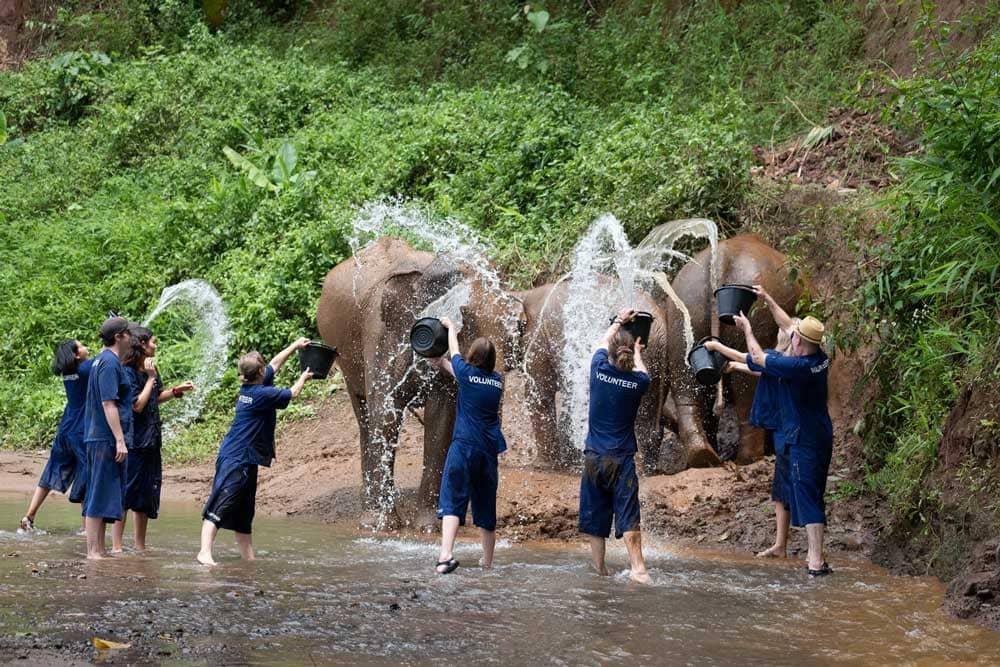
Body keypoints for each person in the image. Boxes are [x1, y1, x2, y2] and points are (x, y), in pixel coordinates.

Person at [707, 311, 833, 576]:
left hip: (803, 439)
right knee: (813, 494)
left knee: (807, 497)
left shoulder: (796, 367)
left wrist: (747, 330)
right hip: (820, 435)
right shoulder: (819, 359)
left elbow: (757, 358)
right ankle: (814, 556)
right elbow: (754, 361)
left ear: (797, 342)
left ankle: (815, 562)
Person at [197, 337, 312, 566]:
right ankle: (204, 552)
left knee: (243, 513)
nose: (267, 368)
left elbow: (276, 363)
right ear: (259, 372)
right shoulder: (262, 395)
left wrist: (294, 346)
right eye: (264, 366)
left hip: (244, 458)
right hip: (237, 458)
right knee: (222, 502)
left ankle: (249, 559)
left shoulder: (251, 387)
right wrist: (303, 376)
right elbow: (293, 393)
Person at [713, 285, 799, 558]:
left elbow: (749, 357)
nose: (776, 330)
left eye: (781, 331)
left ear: (789, 340)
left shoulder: (786, 361)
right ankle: (780, 544)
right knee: (779, 490)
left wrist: (717, 346)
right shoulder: (781, 361)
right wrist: (736, 368)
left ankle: (809, 552)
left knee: (796, 488)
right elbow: (760, 369)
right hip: (782, 428)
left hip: (791, 431)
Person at [428, 318, 507, 575]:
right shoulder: (496, 382)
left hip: (463, 447)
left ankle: (445, 556)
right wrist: (442, 364)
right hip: (487, 453)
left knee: (452, 500)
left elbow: (456, 353)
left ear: (473, 357)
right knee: (486, 507)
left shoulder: (468, 373)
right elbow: (464, 376)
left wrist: (451, 328)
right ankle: (487, 564)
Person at [578, 308, 652, 583]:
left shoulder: (598, 370)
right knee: (629, 515)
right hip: (621, 461)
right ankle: (638, 569)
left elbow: (600, 342)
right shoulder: (639, 382)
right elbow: (643, 372)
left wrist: (619, 321)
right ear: (631, 353)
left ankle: (600, 570)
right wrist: (639, 352)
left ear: (610, 352)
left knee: (596, 519)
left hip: (594, 458)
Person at [111, 326, 195, 553]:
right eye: (152, 342)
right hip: (134, 440)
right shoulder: (127, 371)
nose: (155, 346)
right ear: (141, 345)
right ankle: (117, 547)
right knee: (127, 493)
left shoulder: (151, 369)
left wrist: (177, 390)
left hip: (151, 439)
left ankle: (140, 546)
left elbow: (155, 398)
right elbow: (137, 405)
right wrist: (149, 379)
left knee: (146, 494)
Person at [19, 340, 93, 532]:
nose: (87, 347)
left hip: (66, 428)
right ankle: (87, 530)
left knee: (51, 470)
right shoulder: (85, 369)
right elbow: (109, 357)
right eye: (83, 345)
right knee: (87, 473)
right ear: (77, 355)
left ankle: (29, 516)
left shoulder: (69, 372)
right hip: (81, 429)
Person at [81, 316, 135, 559]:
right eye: (128, 334)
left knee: (101, 492)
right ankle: (94, 552)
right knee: (99, 492)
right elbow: (108, 403)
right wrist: (120, 439)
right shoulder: (110, 363)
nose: (132, 338)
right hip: (105, 437)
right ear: (119, 337)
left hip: (98, 436)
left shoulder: (99, 362)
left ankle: (100, 550)